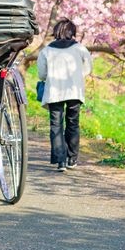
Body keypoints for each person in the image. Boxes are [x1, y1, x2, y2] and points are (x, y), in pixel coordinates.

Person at [37, 18, 93, 172]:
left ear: (56, 32)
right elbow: (88, 68)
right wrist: (76, 77)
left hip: (54, 92)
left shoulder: (47, 50)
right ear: (72, 32)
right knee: (73, 123)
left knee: (56, 125)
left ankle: (60, 161)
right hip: (74, 91)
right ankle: (72, 158)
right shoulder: (80, 49)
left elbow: (42, 74)